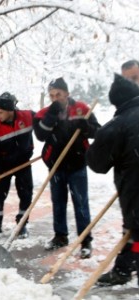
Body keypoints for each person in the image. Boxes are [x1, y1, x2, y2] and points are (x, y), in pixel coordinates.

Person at [33, 77, 100, 259]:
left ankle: (85, 241)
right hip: (55, 165)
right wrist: (51, 115)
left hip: (77, 164)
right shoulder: (44, 113)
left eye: (59, 94)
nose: (55, 98)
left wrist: (85, 127)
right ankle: (60, 236)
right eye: (52, 95)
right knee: (58, 202)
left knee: (80, 203)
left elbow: (97, 131)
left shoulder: (82, 109)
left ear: (67, 94)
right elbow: (40, 135)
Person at [86, 74, 139, 286]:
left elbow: (97, 164)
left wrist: (95, 136)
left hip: (135, 189)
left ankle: (124, 269)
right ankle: (124, 268)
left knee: (136, 233)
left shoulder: (117, 125)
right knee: (135, 233)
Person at [0, 92, 34, 239]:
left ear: (10, 110)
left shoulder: (27, 117)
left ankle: (22, 224)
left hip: (23, 163)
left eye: (0, 112)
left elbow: (44, 122)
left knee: (26, 194)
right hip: (3, 165)